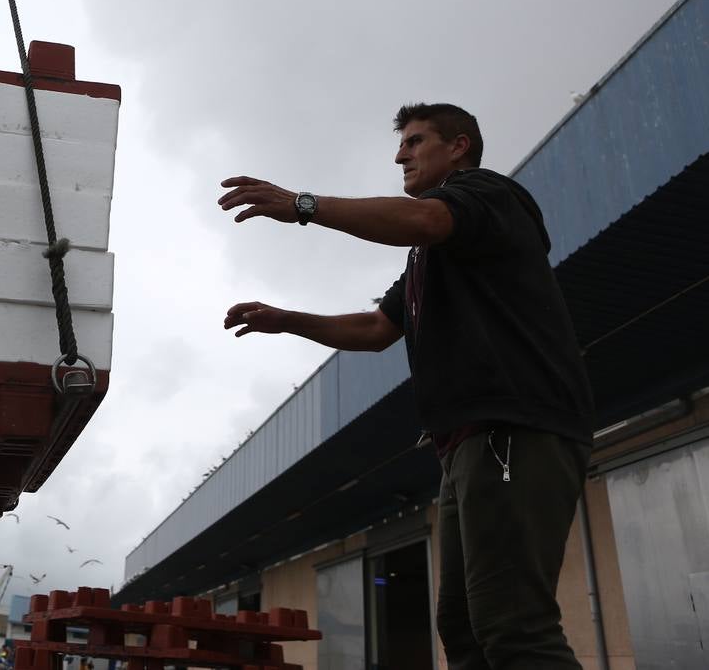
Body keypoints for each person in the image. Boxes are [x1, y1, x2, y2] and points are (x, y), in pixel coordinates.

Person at [218, 103, 594, 669]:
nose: (401, 155)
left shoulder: (487, 195)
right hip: (466, 440)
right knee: (464, 628)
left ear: (459, 146)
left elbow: (422, 220)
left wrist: (303, 205)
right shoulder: (431, 254)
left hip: (514, 429)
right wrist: (289, 319)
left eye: (416, 142)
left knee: (514, 624)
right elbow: (376, 329)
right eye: (403, 145)